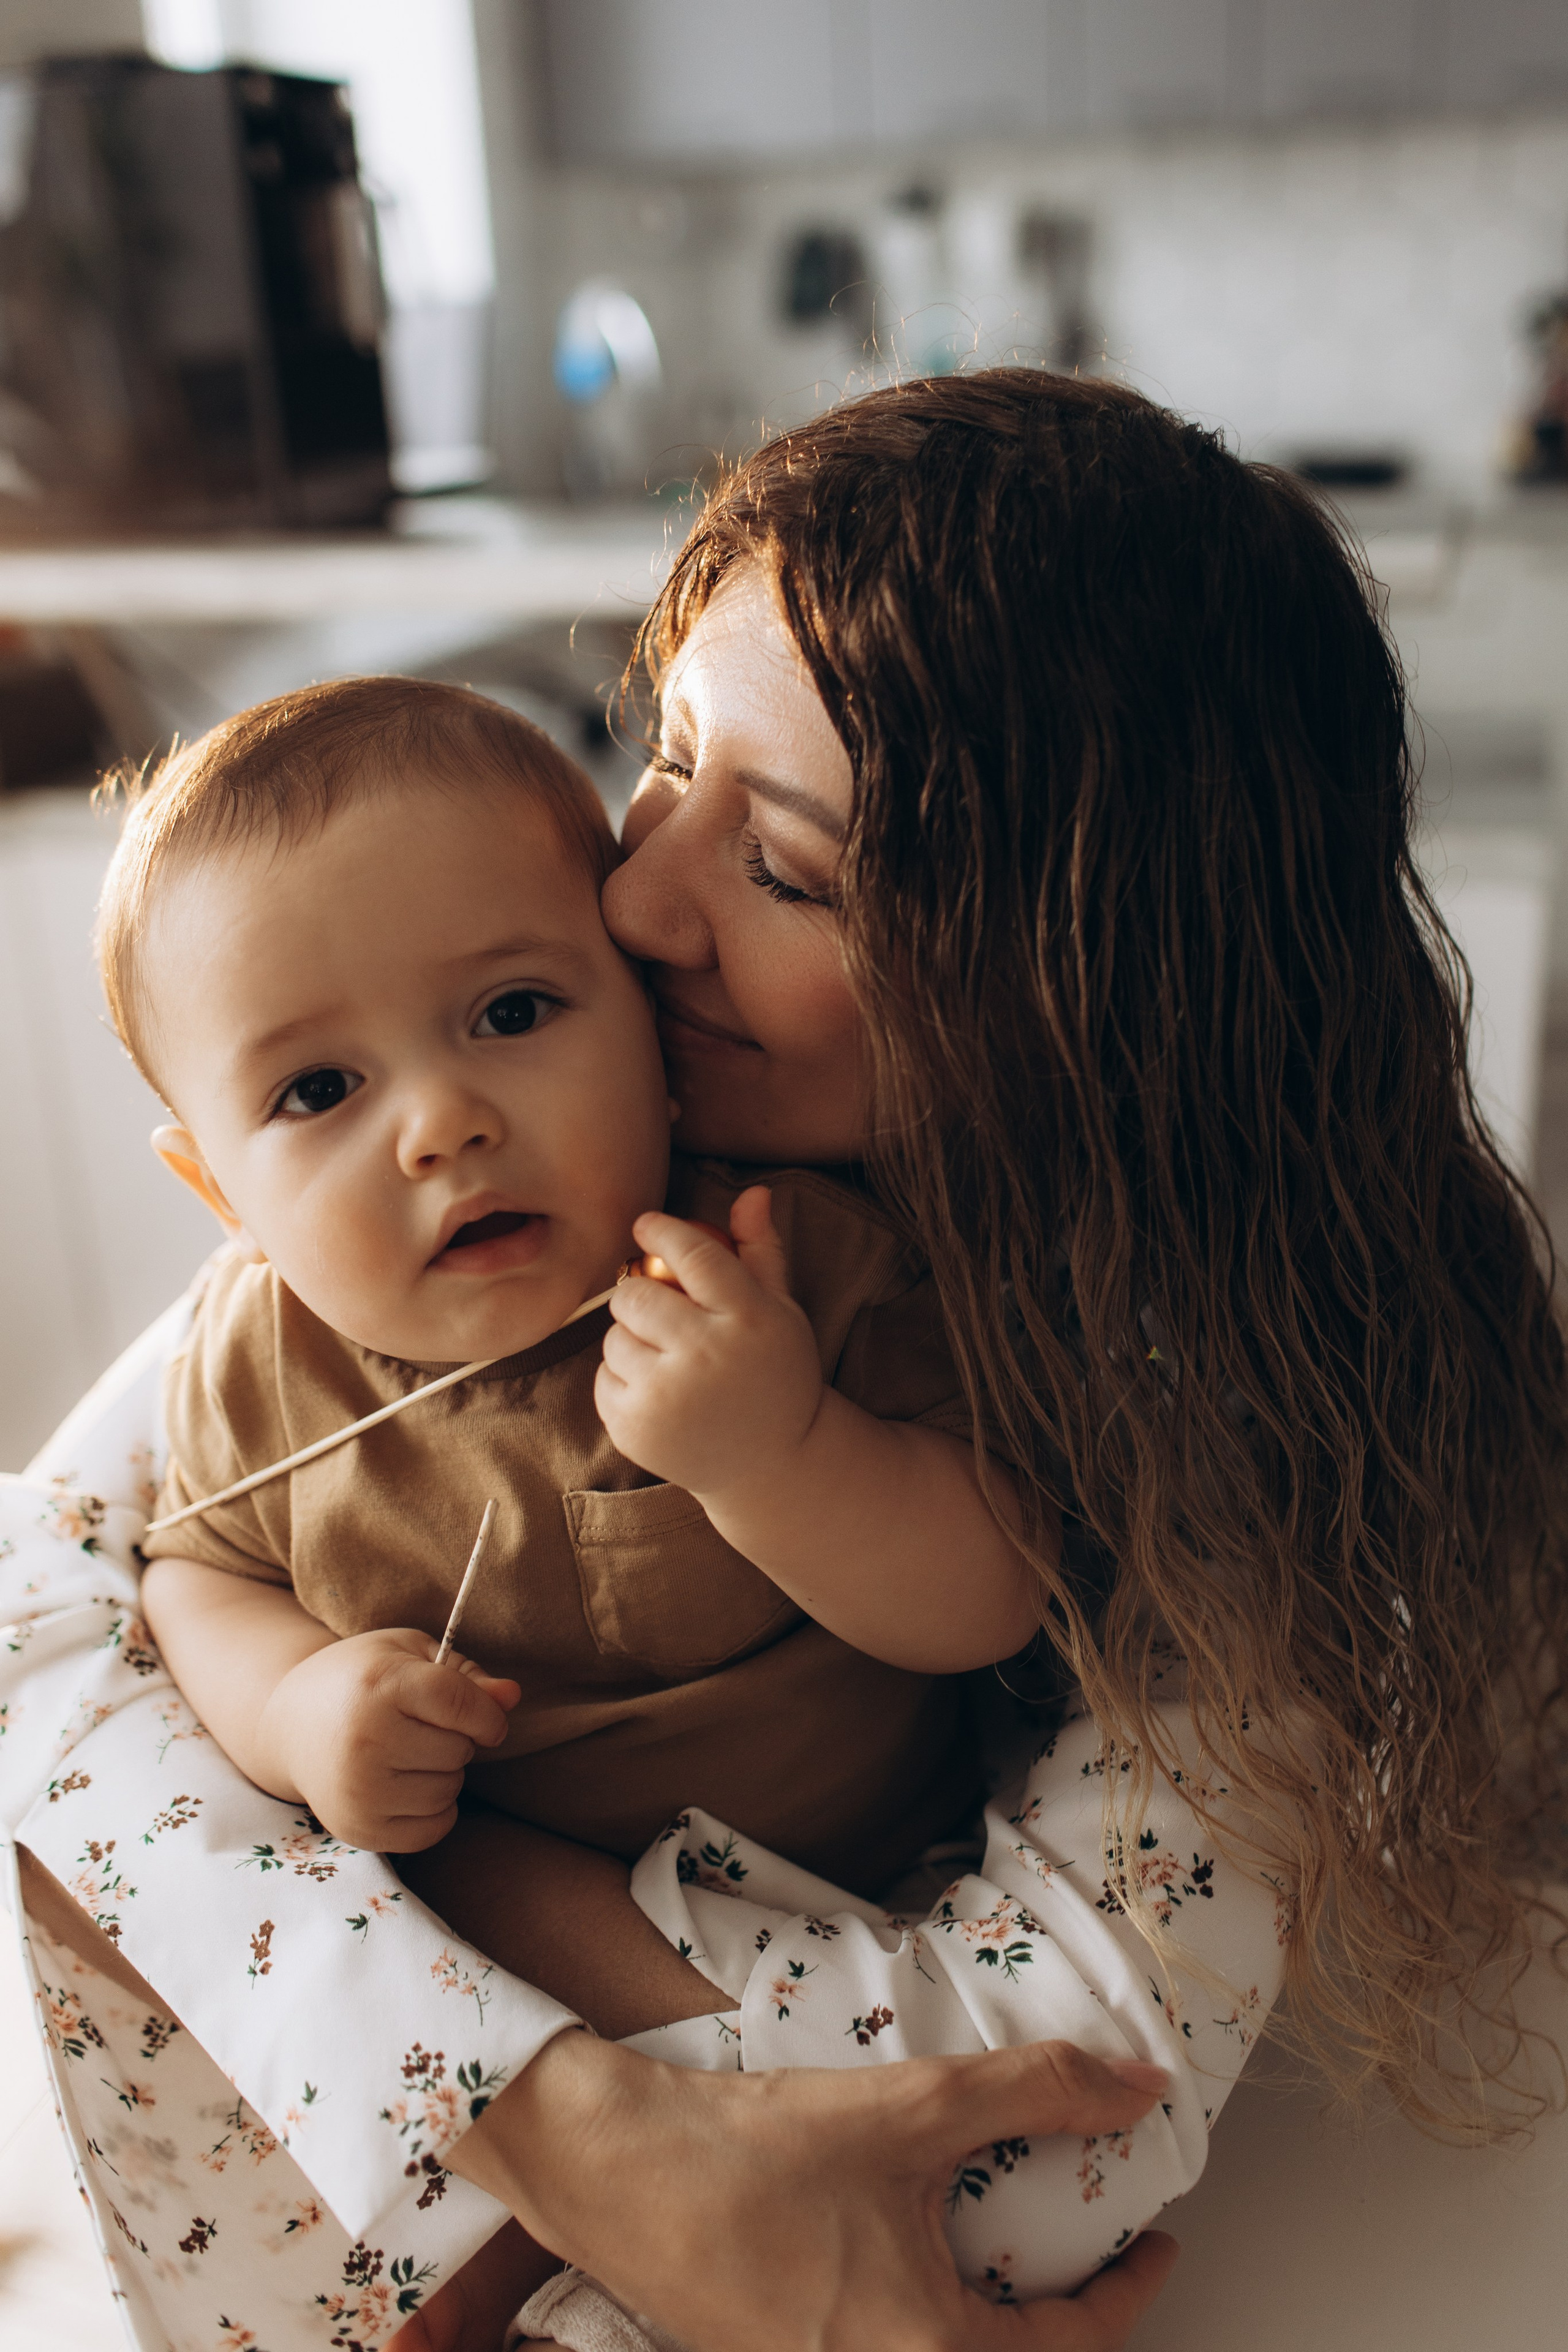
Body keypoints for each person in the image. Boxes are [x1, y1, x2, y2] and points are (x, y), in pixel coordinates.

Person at [1, 366, 1561, 2352]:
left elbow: (1030, 2127)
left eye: (788, 870)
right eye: (664, 757)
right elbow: (43, 1605)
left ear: (1057, 997)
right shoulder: (540, 1184)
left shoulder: (1268, 1453)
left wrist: (422, 1930)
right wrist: (575, 2116)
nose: (632, 891)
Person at [108, 677, 1039, 1893]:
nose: (440, 1125)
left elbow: (997, 1600)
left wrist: (783, 1451)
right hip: (492, 1936)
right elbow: (198, 1575)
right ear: (223, 1196)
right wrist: (293, 1707)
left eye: (511, 1011)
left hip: (867, 1897)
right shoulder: (256, 1357)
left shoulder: (784, 1258)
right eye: (320, 1091)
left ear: (653, 1035)